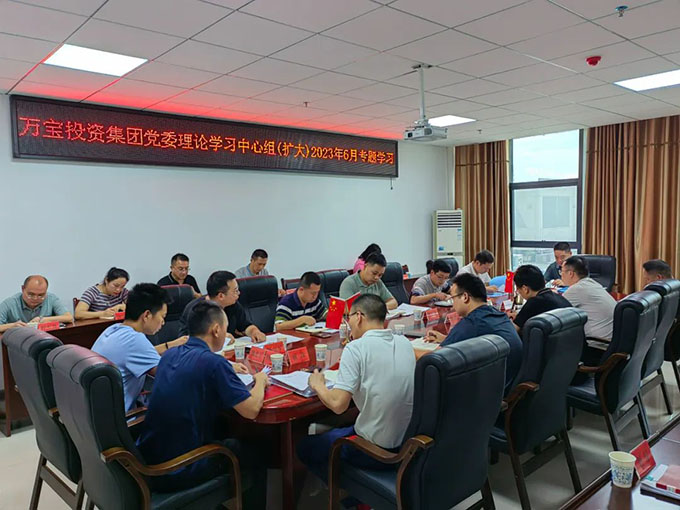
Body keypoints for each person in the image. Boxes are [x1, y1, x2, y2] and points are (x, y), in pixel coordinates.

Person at [137, 300, 269, 509]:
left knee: (224, 427)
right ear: (216, 330)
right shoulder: (213, 363)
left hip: (149, 458)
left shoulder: (170, 354)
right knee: (257, 452)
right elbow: (251, 410)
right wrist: (260, 381)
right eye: (225, 328)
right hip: (177, 467)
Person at [298, 294, 415, 481]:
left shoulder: (356, 348)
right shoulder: (404, 342)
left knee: (305, 446)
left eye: (349, 317)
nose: (348, 323)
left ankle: (337, 486)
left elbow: (338, 405)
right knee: (342, 426)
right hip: (407, 445)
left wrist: (318, 384)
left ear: (359, 316)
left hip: (376, 451)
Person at [425, 273, 522, 393]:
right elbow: (478, 340)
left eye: (453, 298)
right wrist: (446, 338)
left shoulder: (472, 322)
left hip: (489, 392)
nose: (453, 304)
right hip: (508, 384)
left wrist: (409, 350)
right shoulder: (496, 314)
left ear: (465, 297)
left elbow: (434, 359)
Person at [92, 284, 174, 412]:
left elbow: (138, 354)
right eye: (162, 317)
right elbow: (170, 376)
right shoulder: (134, 339)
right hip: (125, 418)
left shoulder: (113, 329)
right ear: (147, 315)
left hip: (100, 412)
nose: (163, 322)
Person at [179, 270, 266, 343]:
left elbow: (245, 325)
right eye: (235, 291)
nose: (239, 293)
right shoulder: (195, 309)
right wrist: (220, 337)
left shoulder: (233, 304)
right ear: (221, 296)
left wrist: (254, 331)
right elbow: (185, 340)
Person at [562, 256, 616, 340]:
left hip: (596, 343)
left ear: (570, 274)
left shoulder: (576, 289)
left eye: (561, 272)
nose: (561, 275)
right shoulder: (593, 283)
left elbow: (556, 311)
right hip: (611, 339)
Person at [509, 265, 572, 333]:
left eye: (518, 289)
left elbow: (512, 331)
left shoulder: (533, 303)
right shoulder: (558, 297)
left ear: (525, 289)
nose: (518, 292)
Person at [0, 275, 73, 333]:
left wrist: (44, 319)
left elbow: (69, 318)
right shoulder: (10, 303)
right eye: (31, 294)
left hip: (46, 339)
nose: (35, 298)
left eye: (41, 295)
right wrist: (13, 326)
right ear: (23, 289)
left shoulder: (51, 298)